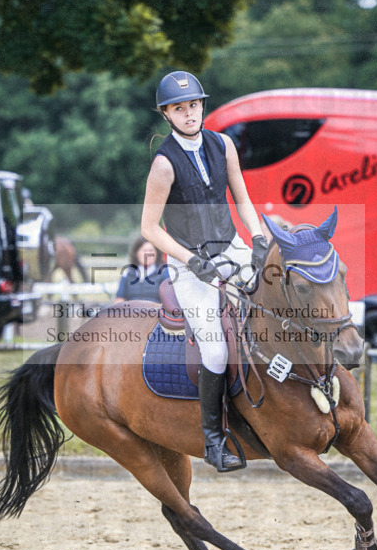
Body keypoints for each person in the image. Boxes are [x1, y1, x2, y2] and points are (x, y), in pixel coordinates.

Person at [141, 70, 269, 472]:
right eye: (179, 108)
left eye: (194, 105)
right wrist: (190, 260)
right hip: (188, 262)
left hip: (231, 247)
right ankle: (214, 441)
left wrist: (258, 236)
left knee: (277, 302)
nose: (189, 113)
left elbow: (242, 198)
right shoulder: (164, 164)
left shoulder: (223, 144)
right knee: (214, 349)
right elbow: (149, 229)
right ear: (166, 114)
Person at [115, 235, 168, 303]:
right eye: (144, 251)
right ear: (137, 253)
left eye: (151, 251)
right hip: (131, 308)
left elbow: (168, 300)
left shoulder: (164, 272)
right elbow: (119, 299)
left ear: (156, 254)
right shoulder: (128, 273)